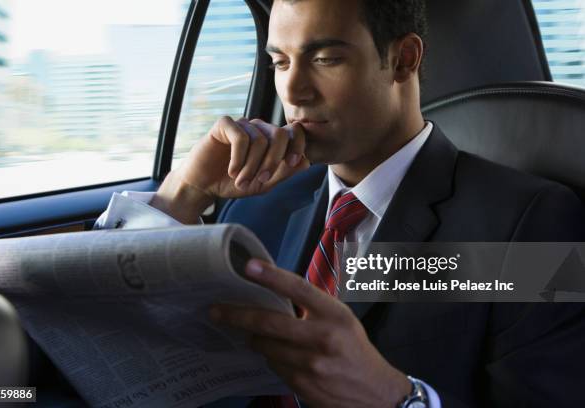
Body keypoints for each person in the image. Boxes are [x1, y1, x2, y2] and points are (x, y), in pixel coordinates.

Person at [97, 0, 585, 406]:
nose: (292, 90)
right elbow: (114, 349)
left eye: (325, 58)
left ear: (403, 60)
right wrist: (184, 192)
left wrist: (399, 397)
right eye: (280, 62)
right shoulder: (255, 208)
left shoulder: (530, 224)